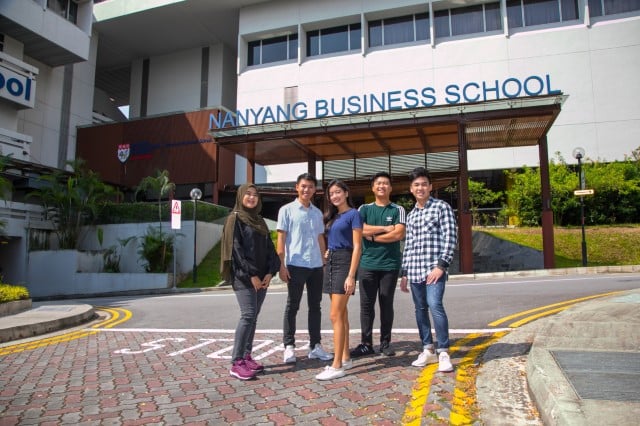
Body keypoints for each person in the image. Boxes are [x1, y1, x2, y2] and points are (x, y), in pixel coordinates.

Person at [400, 167, 457, 373]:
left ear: (430, 187)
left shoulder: (442, 207)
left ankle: (443, 351)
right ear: (411, 189)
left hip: (434, 269)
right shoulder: (412, 214)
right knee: (420, 310)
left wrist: (441, 266)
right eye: (416, 185)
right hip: (414, 270)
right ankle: (427, 349)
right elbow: (408, 245)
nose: (420, 187)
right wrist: (404, 273)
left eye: (424, 184)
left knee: (435, 305)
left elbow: (450, 238)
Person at [221, 183, 280, 380]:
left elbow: (270, 248)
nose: (252, 197)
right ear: (240, 196)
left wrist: (271, 272)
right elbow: (236, 250)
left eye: (255, 195)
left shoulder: (259, 220)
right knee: (247, 315)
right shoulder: (235, 218)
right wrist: (252, 275)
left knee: (253, 317)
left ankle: (247, 356)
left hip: (262, 278)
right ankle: (236, 362)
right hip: (244, 277)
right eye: (248, 194)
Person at [277, 173, 333, 363]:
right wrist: (281, 265)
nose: (306, 189)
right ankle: (289, 346)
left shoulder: (317, 213)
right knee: (292, 306)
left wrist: (324, 262)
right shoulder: (286, 210)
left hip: (316, 265)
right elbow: (281, 238)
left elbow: (320, 239)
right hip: (295, 264)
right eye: (303, 186)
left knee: (315, 306)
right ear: (297, 187)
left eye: (310, 186)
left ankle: (315, 346)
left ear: (314, 190)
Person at [352, 171, 406, 358]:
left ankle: (385, 343)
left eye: (385, 183)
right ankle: (366, 344)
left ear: (390, 188)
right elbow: (360, 230)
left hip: (389, 265)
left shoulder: (397, 209)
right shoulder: (363, 209)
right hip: (367, 263)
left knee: (386, 303)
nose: (382, 186)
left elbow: (398, 234)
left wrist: (372, 236)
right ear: (373, 187)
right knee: (366, 306)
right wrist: (383, 229)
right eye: (378, 183)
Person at [315, 180, 362, 381]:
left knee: (334, 315)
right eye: (331, 193)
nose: (334, 196)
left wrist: (352, 275)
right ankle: (346, 357)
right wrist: (328, 252)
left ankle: (337, 365)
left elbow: (357, 246)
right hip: (332, 262)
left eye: (338, 192)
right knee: (341, 314)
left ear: (346, 193)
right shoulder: (333, 217)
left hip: (345, 263)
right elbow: (333, 240)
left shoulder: (354, 214)